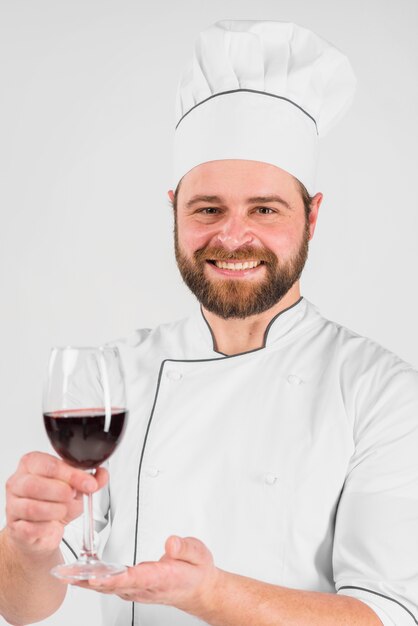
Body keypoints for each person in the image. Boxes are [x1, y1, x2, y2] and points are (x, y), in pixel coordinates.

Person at [1, 19, 418, 626]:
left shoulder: (381, 391)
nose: (233, 235)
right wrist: (25, 547)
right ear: (174, 211)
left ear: (312, 215)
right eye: (208, 208)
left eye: (265, 209)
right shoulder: (112, 376)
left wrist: (209, 594)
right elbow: (21, 605)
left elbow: (389, 616)